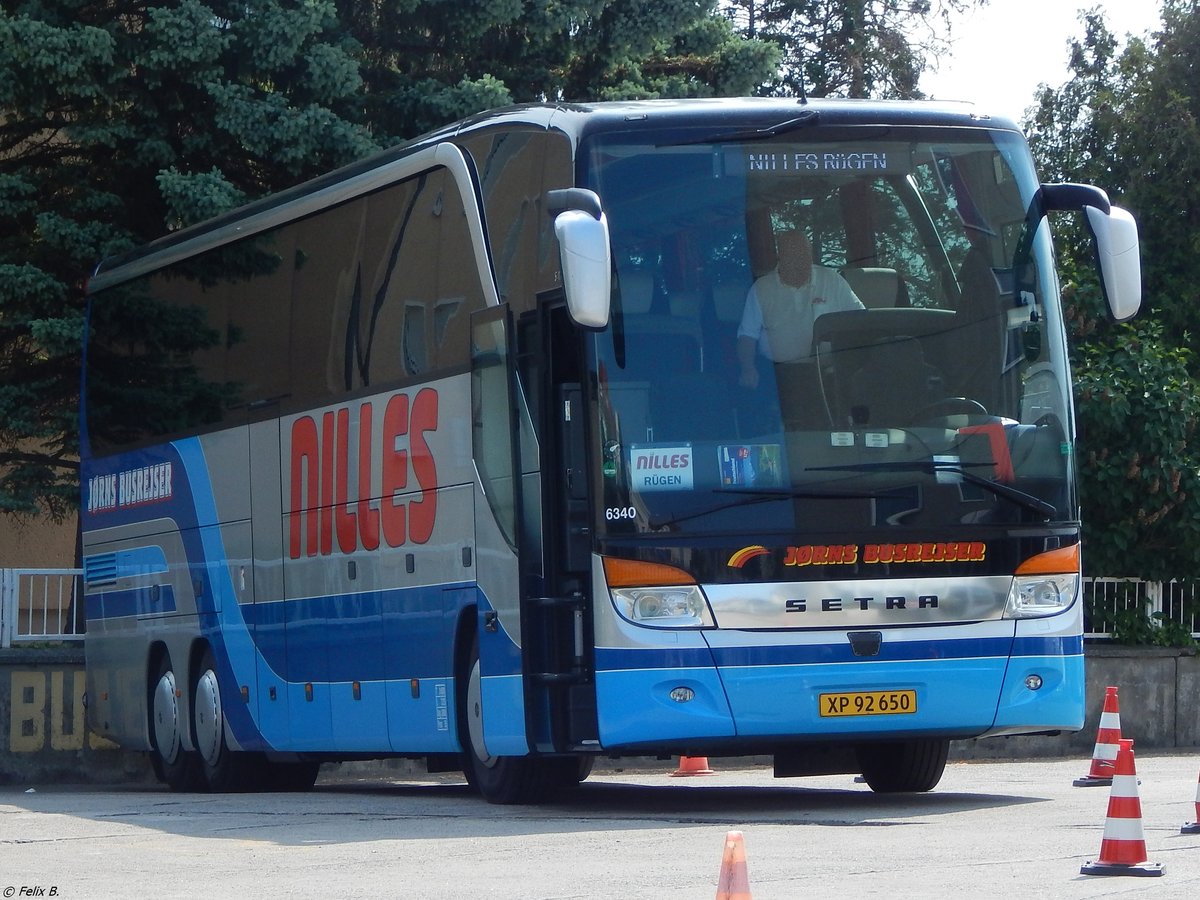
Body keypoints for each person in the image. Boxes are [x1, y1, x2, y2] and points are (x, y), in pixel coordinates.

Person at [737, 229, 864, 389]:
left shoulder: (832, 281)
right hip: (779, 377)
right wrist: (748, 369)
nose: (799, 260)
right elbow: (747, 336)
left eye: (803, 254)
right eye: (793, 255)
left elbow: (860, 321)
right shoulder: (761, 289)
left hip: (829, 374)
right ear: (781, 256)